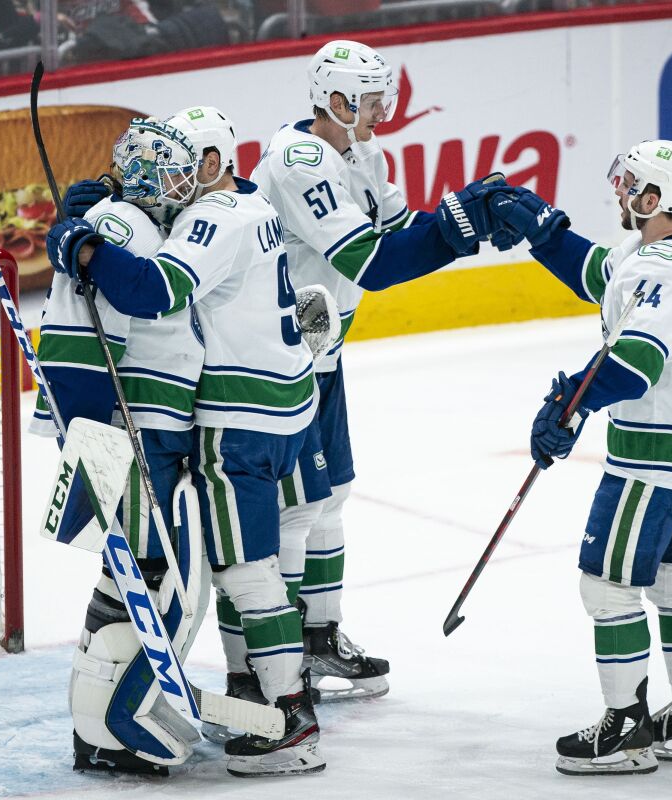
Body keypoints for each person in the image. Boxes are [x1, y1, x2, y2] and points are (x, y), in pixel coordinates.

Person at [47, 107, 334, 777]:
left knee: (211, 572)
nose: (172, 180)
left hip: (211, 422)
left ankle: (281, 710)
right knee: (194, 570)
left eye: (184, 166)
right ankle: (214, 701)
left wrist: (80, 242)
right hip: (216, 417)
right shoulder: (217, 210)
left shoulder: (202, 219)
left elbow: (153, 288)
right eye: (161, 169)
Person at [247, 38, 517, 703]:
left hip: (323, 347)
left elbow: (402, 235)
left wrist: (472, 222)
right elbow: (371, 264)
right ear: (335, 100)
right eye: (370, 102)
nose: (381, 112)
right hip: (280, 357)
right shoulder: (298, 162)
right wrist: (457, 226)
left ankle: (320, 639)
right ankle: (277, 661)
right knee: (298, 509)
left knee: (332, 494)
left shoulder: (364, 151)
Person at [487, 140, 672, 775]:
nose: (620, 195)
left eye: (629, 188)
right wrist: (543, 230)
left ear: (653, 199)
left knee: (608, 584)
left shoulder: (661, 270)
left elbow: (634, 363)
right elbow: (600, 275)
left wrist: (572, 401)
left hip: (652, 459)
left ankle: (626, 731)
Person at [34, 117, 208, 777]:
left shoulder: (120, 220)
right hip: (112, 426)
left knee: (131, 571)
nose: (184, 186)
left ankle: (100, 727)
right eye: (174, 173)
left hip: (105, 423)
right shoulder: (125, 224)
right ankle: (106, 729)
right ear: (143, 174)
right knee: (141, 572)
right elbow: (110, 320)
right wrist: (99, 429)